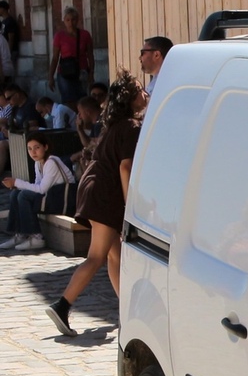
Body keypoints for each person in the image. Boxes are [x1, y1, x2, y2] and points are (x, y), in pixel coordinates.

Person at [46, 71, 146, 337]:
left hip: (95, 189)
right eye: (140, 90)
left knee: (115, 255)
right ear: (130, 98)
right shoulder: (132, 127)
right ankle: (62, 305)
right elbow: (126, 167)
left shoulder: (116, 124)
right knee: (96, 256)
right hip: (106, 195)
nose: (146, 93)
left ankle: (128, 311)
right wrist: (131, 208)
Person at [0, 134, 73, 251]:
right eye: (29, 149)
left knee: (23, 195)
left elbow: (41, 189)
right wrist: (16, 186)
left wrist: (17, 182)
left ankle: (37, 236)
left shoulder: (51, 162)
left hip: (61, 199)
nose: (33, 152)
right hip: (50, 197)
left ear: (46, 147)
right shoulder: (38, 163)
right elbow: (37, 185)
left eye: (37, 147)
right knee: (16, 194)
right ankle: (20, 234)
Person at [48, 6, 93, 105]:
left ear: (77, 20)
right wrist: (51, 76)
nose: (70, 23)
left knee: (82, 99)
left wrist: (91, 74)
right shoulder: (59, 36)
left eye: (73, 19)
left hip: (82, 71)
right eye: (67, 20)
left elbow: (90, 55)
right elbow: (55, 58)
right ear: (64, 20)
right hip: (65, 72)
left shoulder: (85, 35)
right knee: (68, 100)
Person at [0, 85, 39, 175]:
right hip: (16, 137)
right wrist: (6, 129)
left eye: (9, 98)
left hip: (27, 139)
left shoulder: (30, 107)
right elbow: (13, 124)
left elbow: (32, 128)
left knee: (2, 145)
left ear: (17, 95)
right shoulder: (16, 108)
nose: (8, 102)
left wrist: (12, 134)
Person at [71, 95, 101, 171]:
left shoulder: (100, 124)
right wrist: (80, 129)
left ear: (88, 112)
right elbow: (88, 143)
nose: (79, 116)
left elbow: (93, 146)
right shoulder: (95, 124)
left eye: (80, 113)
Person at [0, 1, 19, 67]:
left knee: (9, 72)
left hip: (11, 51)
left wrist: (8, 53)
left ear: (3, 9)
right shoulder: (3, 22)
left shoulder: (10, 22)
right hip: (4, 52)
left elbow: (11, 39)